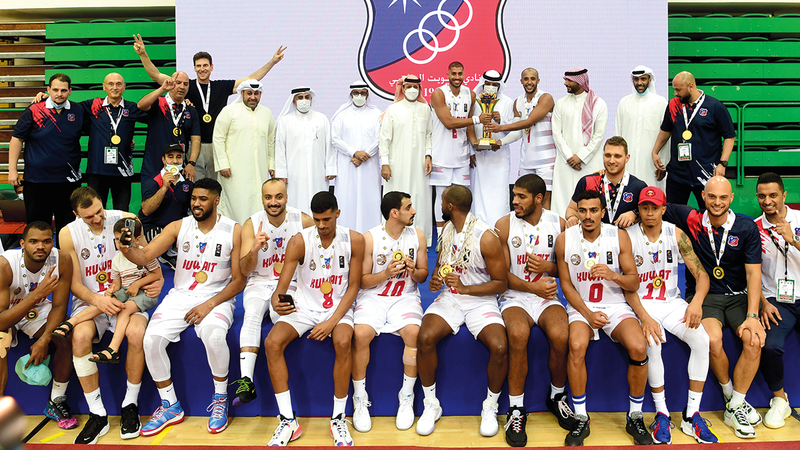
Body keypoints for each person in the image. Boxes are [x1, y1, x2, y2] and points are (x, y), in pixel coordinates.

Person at [123, 178, 245, 436]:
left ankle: (220, 398)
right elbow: (144, 256)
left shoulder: (233, 230)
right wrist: (126, 249)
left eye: (203, 199)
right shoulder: (178, 226)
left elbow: (239, 281)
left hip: (216, 296)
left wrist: (208, 305)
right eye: (193, 199)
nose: (196, 204)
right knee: (151, 340)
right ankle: (170, 404)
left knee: (214, 336)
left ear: (216, 200)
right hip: (180, 295)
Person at [663, 176, 765, 438]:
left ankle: (736, 404)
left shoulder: (745, 227)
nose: (717, 202)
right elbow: (655, 204)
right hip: (706, 295)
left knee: (754, 339)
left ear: (731, 198)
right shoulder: (692, 219)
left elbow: (753, 274)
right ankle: (732, 398)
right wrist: (631, 213)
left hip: (739, 296)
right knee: (712, 339)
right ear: (703, 197)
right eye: (711, 196)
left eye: (722, 197)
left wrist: (753, 315)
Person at [555, 189, 659, 446]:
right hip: (582, 306)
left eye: (593, 210)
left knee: (639, 346)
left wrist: (613, 275)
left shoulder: (619, 236)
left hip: (615, 305)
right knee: (576, 345)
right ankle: (581, 417)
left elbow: (633, 282)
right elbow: (566, 286)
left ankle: (635, 415)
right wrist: (588, 314)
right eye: (582, 211)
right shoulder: (565, 239)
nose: (588, 216)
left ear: (603, 212)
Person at [59, 186, 162, 444]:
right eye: (89, 216)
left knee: (136, 333)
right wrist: (98, 300)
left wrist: (157, 282)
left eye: (99, 211)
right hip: (91, 300)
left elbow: (147, 259)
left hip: (128, 295)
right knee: (79, 336)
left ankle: (130, 405)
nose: (97, 218)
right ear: (76, 214)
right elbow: (74, 283)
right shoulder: (67, 233)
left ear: (102, 202)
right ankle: (97, 414)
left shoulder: (127, 219)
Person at [264, 191, 364, 446]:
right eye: (317, 219)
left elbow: (354, 286)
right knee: (272, 343)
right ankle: (288, 420)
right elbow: (282, 286)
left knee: (343, 342)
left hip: (338, 307)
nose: (321, 225)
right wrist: (277, 299)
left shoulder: (355, 240)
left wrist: (331, 322)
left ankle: (338, 418)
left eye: (326, 219)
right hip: (305, 307)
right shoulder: (299, 241)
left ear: (337, 214)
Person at [416, 185, 508, 437]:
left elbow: (501, 283)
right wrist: (436, 280)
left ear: (450, 206)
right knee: (425, 337)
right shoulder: (446, 229)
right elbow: (441, 266)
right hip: (451, 298)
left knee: (500, 346)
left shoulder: (486, 236)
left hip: (480, 300)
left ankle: (490, 406)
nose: (440, 206)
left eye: (442, 202)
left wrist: (467, 289)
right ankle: (431, 404)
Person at [628, 186, 717, 444]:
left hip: (671, 302)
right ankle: (662, 413)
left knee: (702, 339)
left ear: (663, 209)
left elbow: (701, 274)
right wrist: (644, 317)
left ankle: (691, 414)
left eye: (655, 208)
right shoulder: (628, 237)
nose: (650, 213)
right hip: (642, 303)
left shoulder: (676, 234)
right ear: (639, 210)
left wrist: (696, 302)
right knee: (653, 343)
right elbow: (625, 286)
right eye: (645, 208)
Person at [134, 35, 286, 181]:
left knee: (216, 186)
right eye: (198, 66)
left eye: (205, 65)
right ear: (194, 68)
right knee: (194, 185)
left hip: (216, 146)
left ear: (211, 67)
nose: (202, 69)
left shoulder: (221, 86)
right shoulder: (185, 85)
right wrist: (143, 54)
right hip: (194, 146)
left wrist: (272, 62)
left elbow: (250, 80)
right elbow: (156, 75)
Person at [495, 174, 572, 447]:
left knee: (562, 335)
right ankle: (516, 408)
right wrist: (532, 287)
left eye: (521, 196)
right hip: (515, 295)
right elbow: (501, 275)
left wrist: (549, 268)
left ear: (539, 199)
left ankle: (557, 396)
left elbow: (568, 268)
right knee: (517, 335)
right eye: (514, 195)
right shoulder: (504, 225)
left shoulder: (559, 224)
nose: (514, 201)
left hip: (546, 296)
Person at [351, 191, 429, 432]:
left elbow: (423, 276)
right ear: (394, 213)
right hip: (374, 297)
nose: (414, 211)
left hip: (405, 297)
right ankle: (359, 398)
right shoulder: (370, 238)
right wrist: (385, 273)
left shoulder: (418, 235)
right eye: (408, 207)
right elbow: (362, 281)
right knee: (361, 334)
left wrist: (414, 271)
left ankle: (406, 397)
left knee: (414, 333)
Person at [231, 179, 313, 406]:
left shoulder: (303, 221)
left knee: (281, 317)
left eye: (278, 197)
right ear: (262, 199)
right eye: (268, 197)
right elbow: (245, 270)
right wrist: (255, 249)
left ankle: (288, 380)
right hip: (259, 281)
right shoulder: (251, 224)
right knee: (252, 314)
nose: (273, 202)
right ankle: (246, 380)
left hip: (290, 282)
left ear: (286, 198)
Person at [33, 72, 147, 211]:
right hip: (97, 171)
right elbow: (66, 106)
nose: (114, 87)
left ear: (124, 87)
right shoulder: (93, 105)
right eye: (110, 84)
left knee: (121, 212)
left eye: (118, 84)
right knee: (95, 211)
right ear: (103, 86)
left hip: (123, 171)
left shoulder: (131, 108)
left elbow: (155, 118)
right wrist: (48, 98)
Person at [0, 222, 76, 429]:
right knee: (0, 342)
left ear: (53, 242)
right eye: (33, 241)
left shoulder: (62, 259)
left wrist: (45, 339)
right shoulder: (5, 265)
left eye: (46, 241)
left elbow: (59, 305)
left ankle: (56, 400)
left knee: (66, 334)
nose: (40, 246)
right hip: (7, 311)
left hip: (36, 309)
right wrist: (38, 294)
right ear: (22, 244)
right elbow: (1, 320)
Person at [59, 218, 161, 365]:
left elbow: (157, 274)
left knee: (125, 309)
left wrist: (138, 284)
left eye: (125, 240)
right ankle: (70, 323)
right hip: (127, 290)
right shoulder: (117, 259)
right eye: (117, 240)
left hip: (144, 294)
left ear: (137, 239)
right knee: (107, 302)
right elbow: (117, 284)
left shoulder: (144, 254)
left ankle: (112, 349)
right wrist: (110, 292)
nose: (120, 244)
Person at [9, 74, 84, 233]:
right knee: (38, 228)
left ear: (70, 91)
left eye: (63, 90)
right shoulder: (34, 109)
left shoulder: (78, 110)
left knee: (69, 230)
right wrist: (12, 169)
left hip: (69, 182)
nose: (59, 94)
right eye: (55, 90)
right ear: (48, 90)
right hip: (37, 182)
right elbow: (17, 139)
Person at [754, 172, 800, 429]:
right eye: (762, 196)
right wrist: (763, 302)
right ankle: (780, 400)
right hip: (776, 301)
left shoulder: (799, 220)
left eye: (773, 195)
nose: (768, 201)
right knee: (770, 346)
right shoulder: (754, 228)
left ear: (784, 195)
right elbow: (750, 274)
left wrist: (793, 239)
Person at [652, 71, 736, 207]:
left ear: (691, 86)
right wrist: (655, 151)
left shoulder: (714, 106)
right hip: (678, 173)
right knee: (673, 213)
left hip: (705, 173)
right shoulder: (673, 105)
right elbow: (666, 130)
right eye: (674, 89)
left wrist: (723, 163)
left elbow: (729, 136)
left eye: (678, 90)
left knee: (708, 213)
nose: (675, 93)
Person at [486, 68, 556, 209]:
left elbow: (529, 122)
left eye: (532, 79)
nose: (529, 82)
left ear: (538, 80)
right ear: (521, 81)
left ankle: (545, 225)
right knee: (525, 199)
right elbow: (519, 132)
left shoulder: (545, 98)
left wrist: (500, 128)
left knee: (544, 198)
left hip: (546, 160)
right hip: (526, 160)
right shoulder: (518, 102)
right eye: (526, 79)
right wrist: (501, 141)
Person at [212, 79, 276, 224]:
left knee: (258, 202)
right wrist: (223, 164)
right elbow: (218, 138)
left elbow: (271, 140)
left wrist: (271, 164)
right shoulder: (229, 111)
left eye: (256, 94)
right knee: (236, 204)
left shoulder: (266, 113)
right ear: (242, 94)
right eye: (249, 93)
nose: (253, 97)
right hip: (234, 171)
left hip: (259, 169)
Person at [379, 76, 433, 246]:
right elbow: (384, 139)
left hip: (420, 165)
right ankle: (392, 238)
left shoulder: (425, 109)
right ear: (402, 88)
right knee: (396, 198)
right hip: (397, 165)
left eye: (415, 87)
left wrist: (428, 155)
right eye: (408, 86)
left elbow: (429, 135)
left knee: (420, 198)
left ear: (420, 89)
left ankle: (420, 240)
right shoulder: (393, 109)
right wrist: (385, 163)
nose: (412, 90)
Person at [430, 62, 481, 236]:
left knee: (462, 197)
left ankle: (461, 234)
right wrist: (477, 119)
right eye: (454, 74)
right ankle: (441, 236)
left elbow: (468, 126)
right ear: (448, 75)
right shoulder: (438, 93)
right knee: (442, 196)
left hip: (461, 155)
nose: (457, 77)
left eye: (460, 74)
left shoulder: (470, 94)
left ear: (464, 74)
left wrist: (474, 147)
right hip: (441, 154)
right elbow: (449, 122)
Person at [551, 68, 608, 218]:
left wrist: (581, 157)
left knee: (590, 202)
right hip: (565, 163)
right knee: (562, 201)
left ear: (580, 81)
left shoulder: (598, 104)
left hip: (589, 163)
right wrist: (570, 157)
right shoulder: (561, 103)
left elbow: (598, 136)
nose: (565, 83)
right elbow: (556, 133)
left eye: (569, 80)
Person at [274, 87, 336, 216]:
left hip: (318, 170)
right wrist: (281, 173)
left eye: (307, 97)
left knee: (319, 200)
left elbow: (329, 145)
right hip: (293, 173)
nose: (304, 100)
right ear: (294, 101)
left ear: (311, 99)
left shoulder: (321, 118)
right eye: (300, 97)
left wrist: (330, 168)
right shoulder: (285, 121)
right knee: (295, 202)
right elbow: (280, 148)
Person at [331, 81, 382, 233]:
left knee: (370, 200)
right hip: (348, 165)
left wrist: (363, 156)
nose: (359, 96)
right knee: (347, 199)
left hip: (369, 166)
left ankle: (371, 235)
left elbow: (379, 139)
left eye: (363, 93)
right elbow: (335, 139)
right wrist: (354, 152)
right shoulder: (341, 114)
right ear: (351, 94)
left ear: (367, 94)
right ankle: (346, 234)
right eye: (356, 93)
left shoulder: (376, 114)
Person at [564, 136, 647, 229]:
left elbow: (650, 213)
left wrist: (634, 214)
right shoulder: (587, 181)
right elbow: (572, 209)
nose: (612, 161)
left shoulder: (638, 186)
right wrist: (572, 217)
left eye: (617, 156)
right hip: (594, 237)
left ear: (627, 158)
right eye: (608, 155)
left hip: (626, 237)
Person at [137, 73, 201, 183]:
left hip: (179, 167)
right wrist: (162, 89)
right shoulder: (158, 102)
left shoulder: (191, 110)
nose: (182, 87)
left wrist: (191, 163)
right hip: (153, 167)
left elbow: (196, 140)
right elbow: (141, 105)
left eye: (185, 84)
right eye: (178, 83)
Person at [139, 144, 194, 268]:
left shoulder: (187, 183)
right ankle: (147, 261)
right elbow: (146, 211)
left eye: (178, 157)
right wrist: (164, 187)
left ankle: (170, 254)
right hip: (154, 226)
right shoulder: (153, 181)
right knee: (149, 252)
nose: (175, 161)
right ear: (163, 160)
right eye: (170, 157)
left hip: (176, 227)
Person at [469, 70, 512, 225]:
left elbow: (513, 130)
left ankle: (499, 228)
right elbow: (468, 126)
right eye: (488, 83)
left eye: (495, 84)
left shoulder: (507, 102)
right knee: (478, 194)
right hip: (478, 156)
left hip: (499, 157)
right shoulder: (474, 100)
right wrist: (471, 150)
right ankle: (478, 229)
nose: (491, 86)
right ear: (483, 83)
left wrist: (502, 120)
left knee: (499, 196)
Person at [615, 66, 669, 189]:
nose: (639, 83)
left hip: (652, 165)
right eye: (636, 79)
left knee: (652, 195)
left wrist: (663, 165)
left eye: (643, 79)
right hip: (628, 163)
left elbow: (666, 137)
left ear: (650, 80)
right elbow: (618, 135)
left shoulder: (661, 102)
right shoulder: (624, 102)